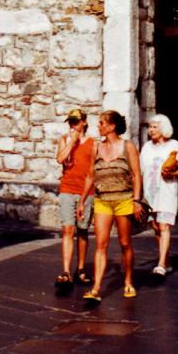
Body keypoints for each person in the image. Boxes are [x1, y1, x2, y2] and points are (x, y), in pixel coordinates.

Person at [77, 110, 143, 303]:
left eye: (101, 123)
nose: (98, 126)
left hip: (124, 199)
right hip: (102, 200)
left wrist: (137, 201)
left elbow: (137, 175)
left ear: (112, 126)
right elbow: (90, 176)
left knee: (125, 243)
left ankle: (129, 281)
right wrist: (82, 201)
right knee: (101, 245)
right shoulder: (96, 147)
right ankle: (96, 288)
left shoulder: (128, 146)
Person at [140, 114, 178, 275]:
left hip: (167, 191)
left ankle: (160, 264)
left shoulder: (174, 145)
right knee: (155, 226)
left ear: (163, 129)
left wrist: (173, 173)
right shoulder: (146, 147)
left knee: (164, 225)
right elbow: (140, 170)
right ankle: (166, 260)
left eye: (154, 127)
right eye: (150, 127)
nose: (151, 130)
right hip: (150, 192)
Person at [55, 108, 95, 287]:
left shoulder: (94, 143)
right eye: (71, 122)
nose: (73, 125)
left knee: (83, 229)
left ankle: (80, 269)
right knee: (68, 230)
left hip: (85, 191)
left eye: (76, 122)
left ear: (84, 122)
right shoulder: (64, 140)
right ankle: (65, 271)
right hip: (67, 188)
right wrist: (72, 141)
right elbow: (60, 159)